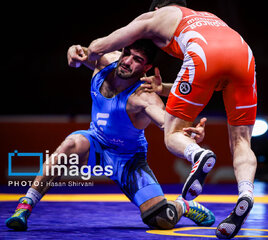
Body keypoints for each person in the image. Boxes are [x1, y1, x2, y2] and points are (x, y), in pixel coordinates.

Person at [86, 1, 258, 238]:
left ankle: (197, 154)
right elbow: (214, 83)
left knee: (172, 133)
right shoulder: (210, 16)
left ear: (155, 9)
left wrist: (83, 53)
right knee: (242, 141)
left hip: (204, 54)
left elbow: (101, 45)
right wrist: (164, 88)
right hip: (244, 55)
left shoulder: (156, 17)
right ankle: (246, 194)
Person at [6, 39, 215, 231]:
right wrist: (72, 51)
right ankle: (25, 206)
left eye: (137, 60)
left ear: (147, 68)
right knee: (71, 144)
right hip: (95, 142)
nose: (127, 62)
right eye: (127, 54)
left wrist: (189, 132)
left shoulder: (145, 97)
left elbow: (168, 124)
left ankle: (182, 205)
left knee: (161, 220)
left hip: (128, 160)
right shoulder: (105, 60)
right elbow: (80, 52)